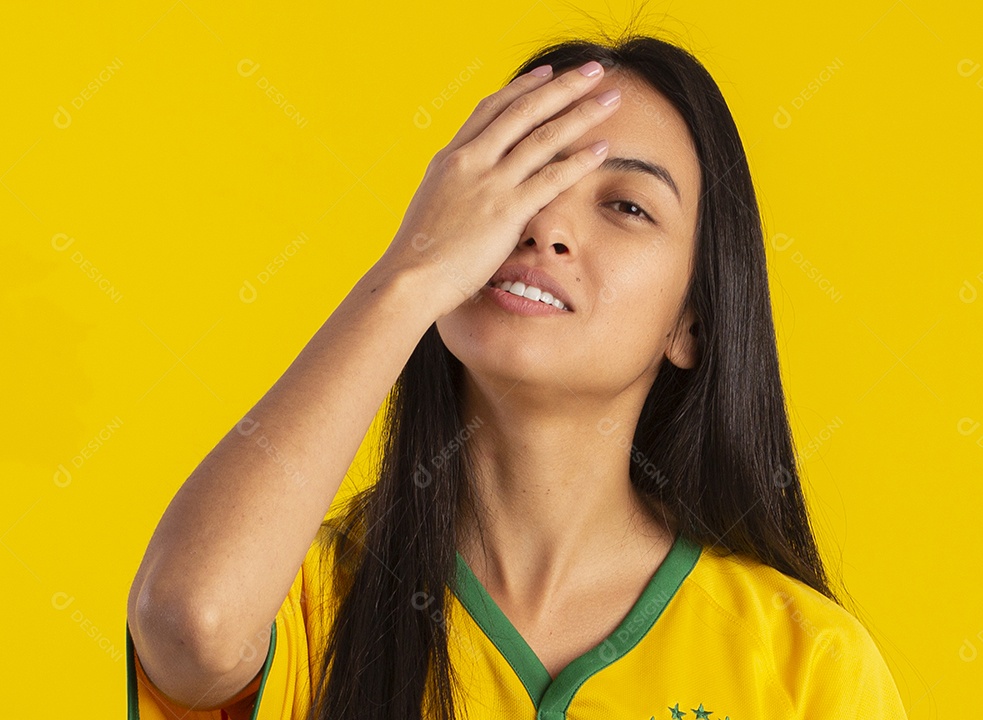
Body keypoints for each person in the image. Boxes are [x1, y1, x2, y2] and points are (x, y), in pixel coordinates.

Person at [126, 30, 909, 720]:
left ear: (691, 325)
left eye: (628, 206)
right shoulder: (310, 596)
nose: (545, 225)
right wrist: (411, 275)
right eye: (519, 181)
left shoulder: (809, 666)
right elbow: (191, 622)